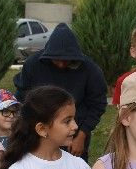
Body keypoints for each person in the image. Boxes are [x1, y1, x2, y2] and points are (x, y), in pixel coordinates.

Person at [13, 24, 107, 161]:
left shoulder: (90, 69)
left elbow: (97, 104)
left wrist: (82, 135)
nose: (62, 64)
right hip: (37, 133)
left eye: (67, 60)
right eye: (57, 59)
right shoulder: (33, 65)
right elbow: (22, 98)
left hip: (74, 135)